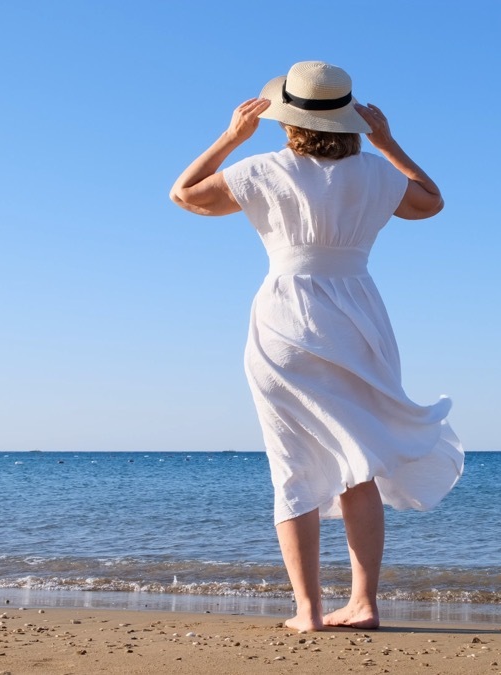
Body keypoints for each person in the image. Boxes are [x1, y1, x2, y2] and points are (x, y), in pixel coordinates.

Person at [170, 61, 464, 633]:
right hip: (359, 317)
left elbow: (185, 196)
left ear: (286, 120)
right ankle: (364, 604)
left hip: (285, 319)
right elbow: (431, 201)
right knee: (360, 463)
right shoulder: (377, 174)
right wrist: (390, 142)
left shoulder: (264, 167)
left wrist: (231, 137)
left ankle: (307, 611)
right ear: (351, 119)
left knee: (292, 465)